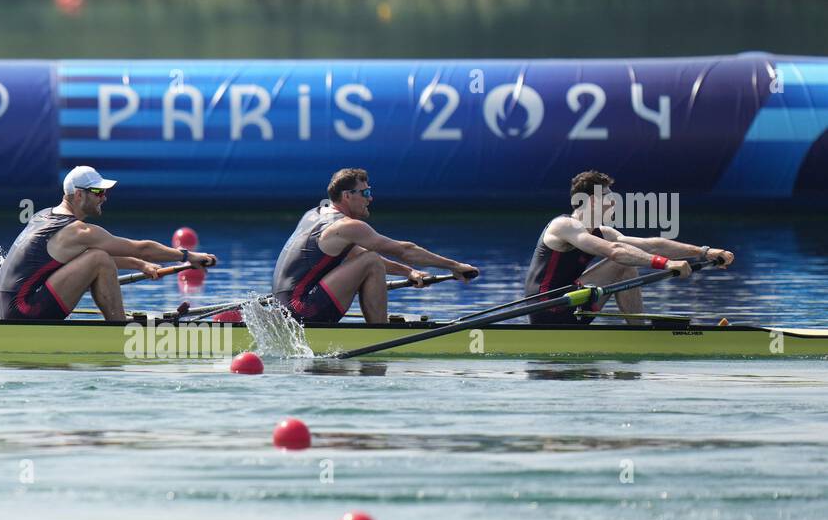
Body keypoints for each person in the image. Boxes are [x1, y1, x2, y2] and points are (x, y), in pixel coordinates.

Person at [0, 166, 216, 321]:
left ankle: (116, 324)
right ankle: (119, 329)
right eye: (98, 192)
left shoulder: (45, 215)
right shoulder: (78, 231)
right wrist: (188, 256)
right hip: (25, 312)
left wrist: (140, 266)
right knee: (99, 259)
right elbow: (142, 248)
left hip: (12, 307)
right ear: (79, 195)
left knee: (96, 256)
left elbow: (82, 256)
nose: (104, 197)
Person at [525, 170, 735, 325]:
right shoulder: (565, 226)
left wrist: (704, 252)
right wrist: (667, 264)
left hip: (573, 307)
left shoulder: (603, 232)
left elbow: (650, 245)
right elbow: (614, 251)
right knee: (620, 261)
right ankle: (639, 335)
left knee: (627, 266)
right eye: (608, 196)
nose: (614, 201)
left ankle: (638, 333)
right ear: (591, 200)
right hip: (548, 310)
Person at [272, 168, 479, 324]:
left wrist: (410, 272)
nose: (370, 198)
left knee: (368, 259)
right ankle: (380, 332)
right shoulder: (348, 226)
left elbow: (357, 255)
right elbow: (403, 250)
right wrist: (454, 266)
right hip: (302, 311)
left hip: (285, 309)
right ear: (347, 195)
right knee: (371, 262)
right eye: (364, 193)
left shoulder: (315, 213)